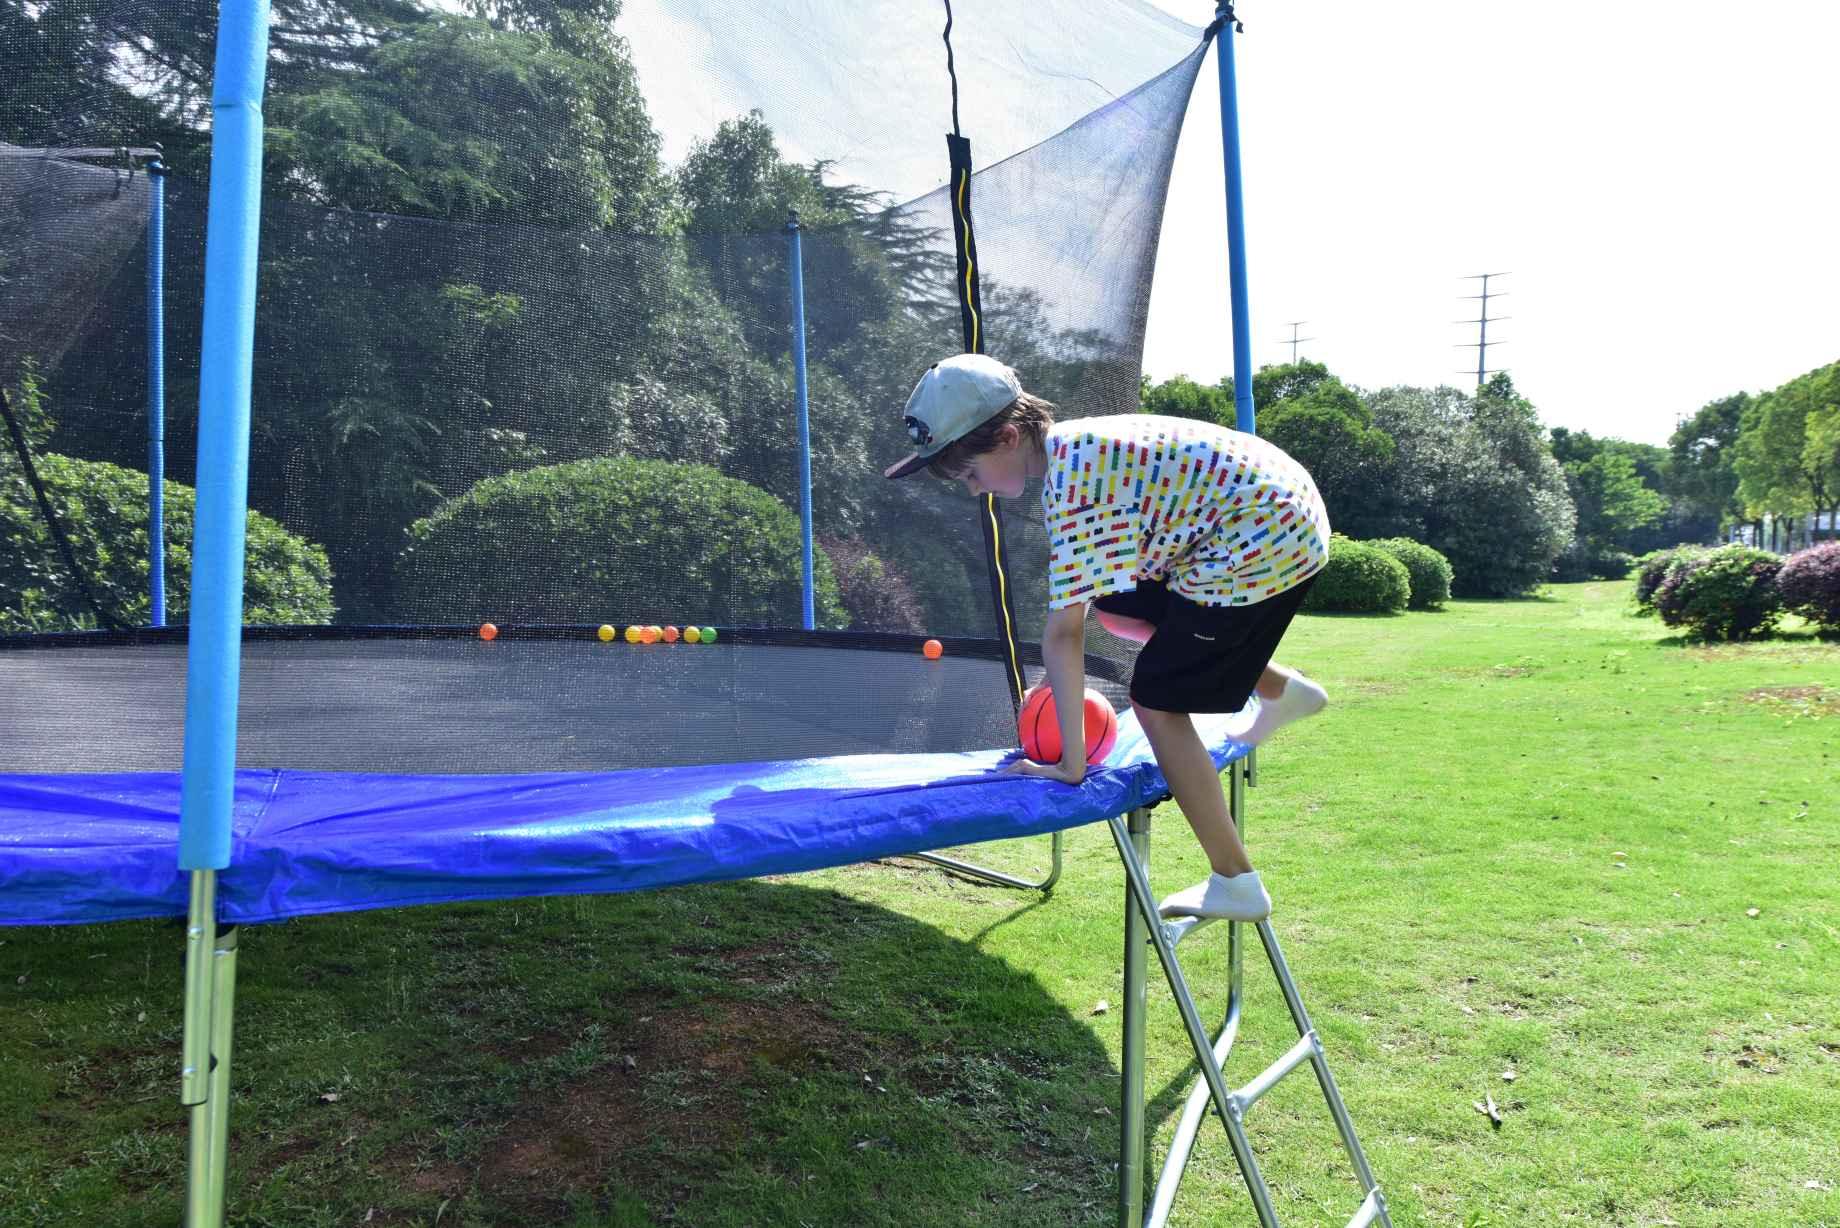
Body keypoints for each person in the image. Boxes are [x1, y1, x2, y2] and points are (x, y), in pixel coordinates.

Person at [884, 354, 1330, 921]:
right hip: (1274, 515)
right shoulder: (1079, 448)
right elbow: (1093, 603)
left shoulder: (1074, 485)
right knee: (1119, 606)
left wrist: (1070, 765)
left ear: (1008, 437)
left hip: (1262, 538)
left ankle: (1235, 880)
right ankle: (1282, 690)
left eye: (971, 474)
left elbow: (1063, 635)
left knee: (1156, 702)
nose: (975, 490)